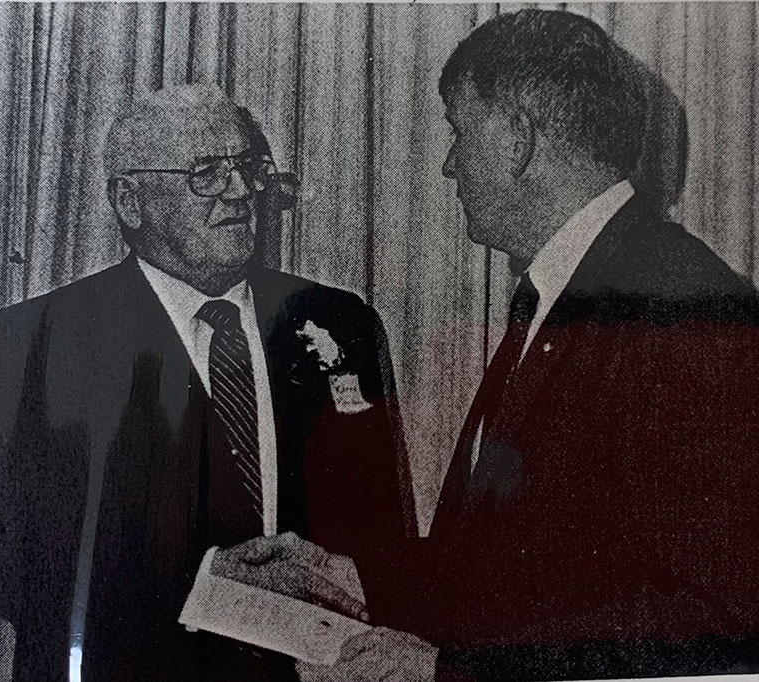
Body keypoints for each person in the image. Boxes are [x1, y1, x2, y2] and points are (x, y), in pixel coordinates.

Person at [221, 10, 759, 681]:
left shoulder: (682, 307)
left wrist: (444, 674)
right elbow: (522, 565)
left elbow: (718, 621)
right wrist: (343, 576)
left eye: (459, 130)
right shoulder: (563, 288)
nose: (450, 164)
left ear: (517, 140)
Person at [0, 85, 414, 682]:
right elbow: (3, 564)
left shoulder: (340, 322)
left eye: (248, 168)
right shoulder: (44, 338)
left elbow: (384, 538)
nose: (240, 192)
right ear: (129, 201)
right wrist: (208, 587)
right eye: (206, 173)